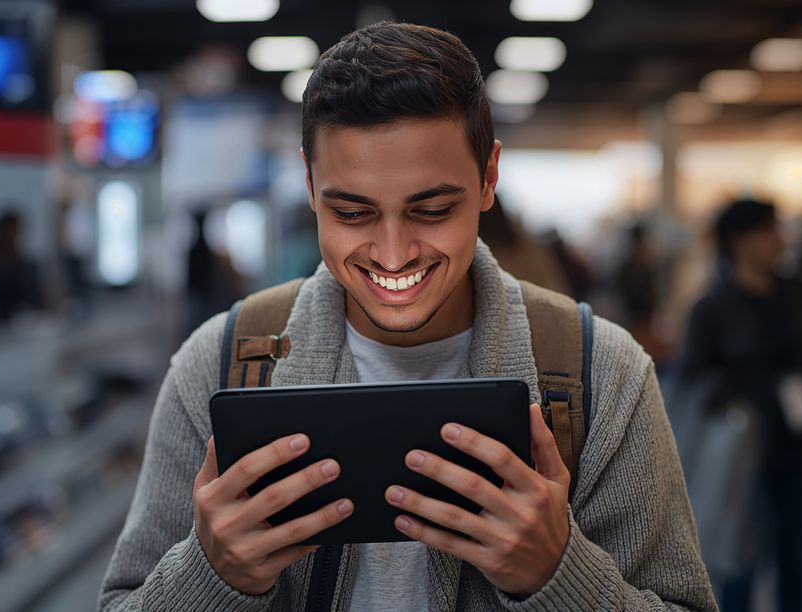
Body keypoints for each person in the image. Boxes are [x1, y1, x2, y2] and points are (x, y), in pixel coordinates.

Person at [100, 22, 716, 612]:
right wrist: (213, 576)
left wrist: (556, 574)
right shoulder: (220, 363)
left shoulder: (600, 373)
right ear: (311, 186)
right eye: (352, 213)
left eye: (432, 210)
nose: (393, 254)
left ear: (488, 179)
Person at [677, 199, 802, 612]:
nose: (778, 240)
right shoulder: (713, 308)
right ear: (738, 241)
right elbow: (693, 384)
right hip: (744, 455)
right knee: (740, 563)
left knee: (794, 560)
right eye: (767, 231)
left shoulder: (799, 292)